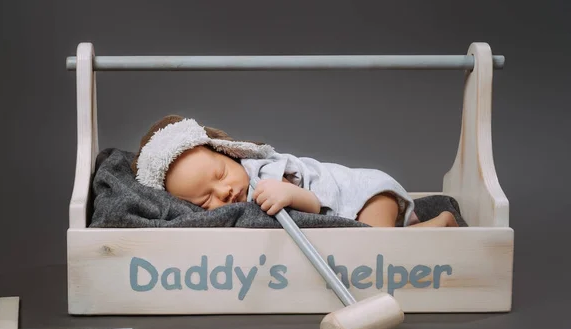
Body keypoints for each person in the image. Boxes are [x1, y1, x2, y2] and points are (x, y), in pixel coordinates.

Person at [131, 115, 458, 228]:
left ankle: (438, 225)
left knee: (376, 246)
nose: (224, 193)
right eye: (205, 201)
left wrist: (289, 194)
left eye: (220, 176)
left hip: (365, 193)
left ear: (230, 155)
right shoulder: (242, 195)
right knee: (378, 244)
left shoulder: (266, 173)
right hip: (357, 204)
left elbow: (315, 207)